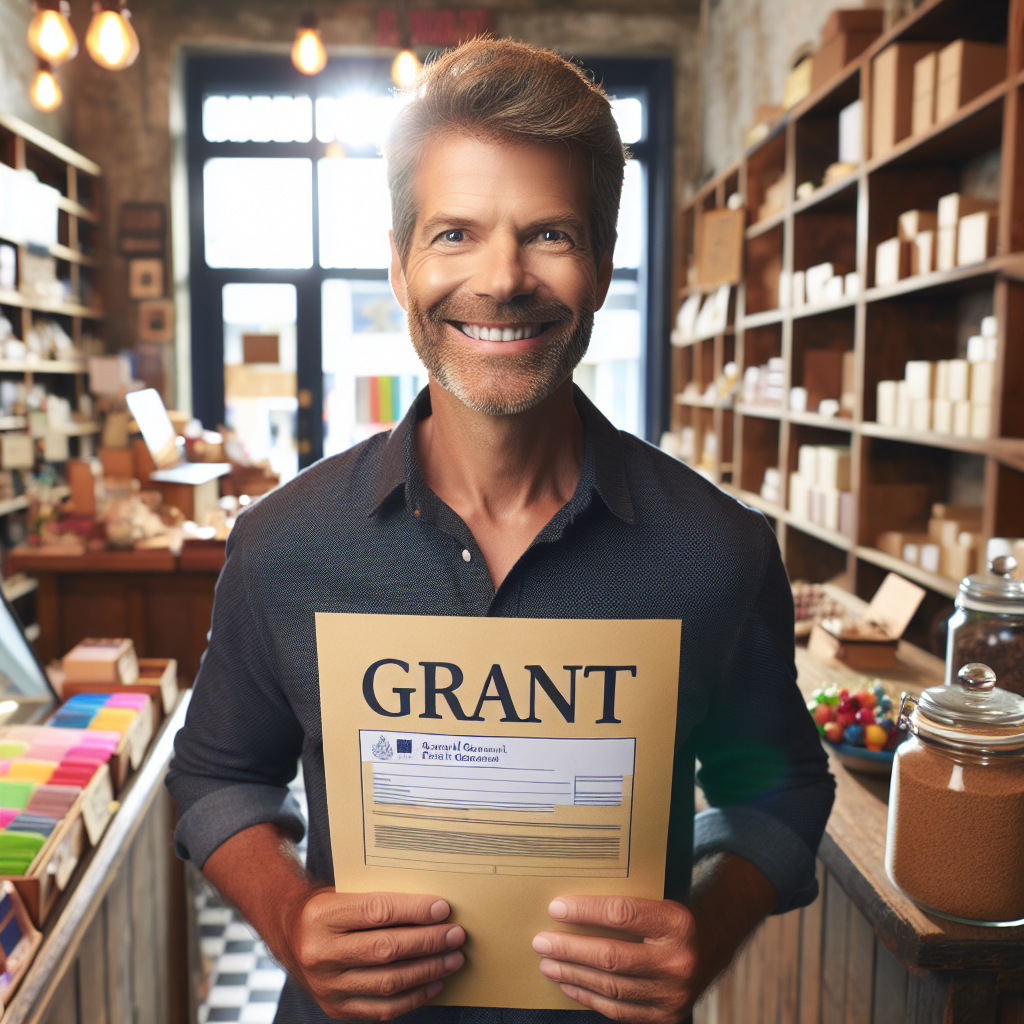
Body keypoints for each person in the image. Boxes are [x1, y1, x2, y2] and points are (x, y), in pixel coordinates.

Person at [167, 37, 834, 1024]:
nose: (503, 277)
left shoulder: (716, 553)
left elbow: (779, 781)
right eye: (454, 235)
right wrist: (288, 912)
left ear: (604, 266)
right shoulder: (282, 544)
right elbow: (215, 771)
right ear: (397, 268)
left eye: (550, 234)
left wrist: (713, 922)